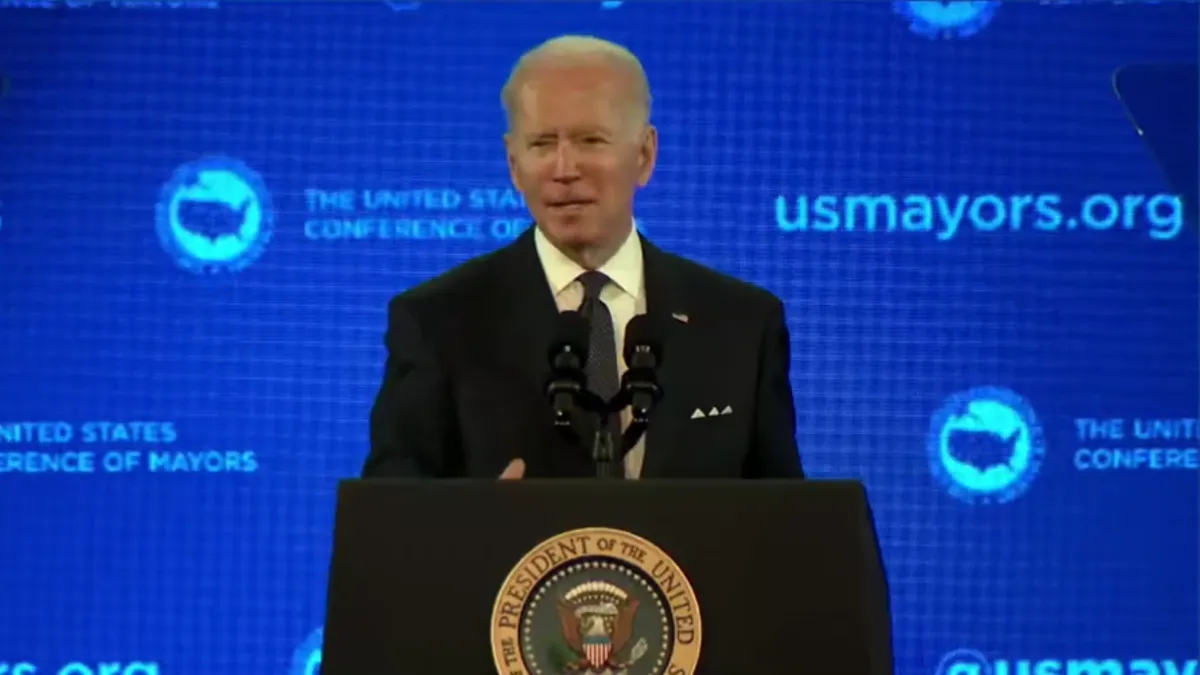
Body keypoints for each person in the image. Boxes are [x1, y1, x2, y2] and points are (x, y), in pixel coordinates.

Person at [362, 35, 805, 480]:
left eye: (591, 140)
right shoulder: (439, 321)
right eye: (541, 144)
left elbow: (784, 525)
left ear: (645, 155)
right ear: (513, 164)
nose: (564, 169)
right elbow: (389, 524)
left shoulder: (740, 324)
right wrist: (476, 527)